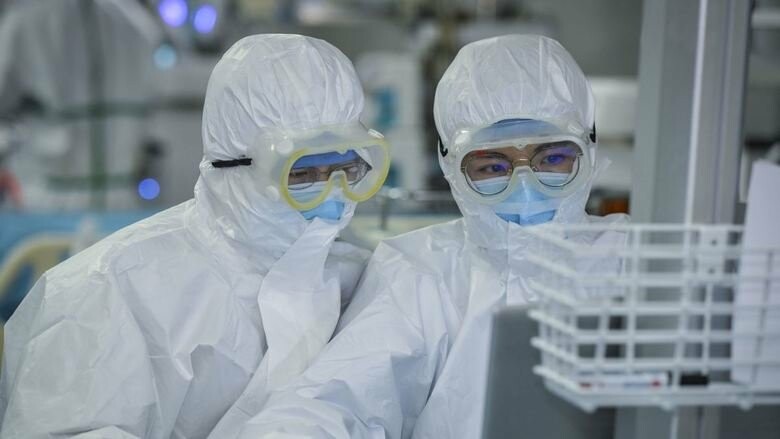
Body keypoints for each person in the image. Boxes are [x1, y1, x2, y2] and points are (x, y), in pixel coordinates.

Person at [229, 34, 628, 438]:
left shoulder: (632, 260)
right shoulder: (421, 271)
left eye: (553, 158)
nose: (524, 189)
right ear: (451, 167)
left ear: (589, 149)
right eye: (492, 168)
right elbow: (337, 399)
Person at [0, 34, 390, 438]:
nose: (331, 195)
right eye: (302, 174)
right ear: (233, 167)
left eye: (348, 170)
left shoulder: (362, 281)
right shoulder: (109, 293)